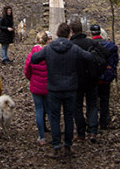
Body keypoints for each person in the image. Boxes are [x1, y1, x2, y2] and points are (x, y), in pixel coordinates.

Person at [30, 22, 94, 159]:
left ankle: (56, 147)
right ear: (69, 34)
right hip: (70, 88)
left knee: (54, 117)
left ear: (57, 34)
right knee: (69, 117)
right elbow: (89, 57)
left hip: (53, 88)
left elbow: (34, 59)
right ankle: (68, 146)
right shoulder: (74, 48)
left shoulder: (48, 49)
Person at [69, 19, 99, 142]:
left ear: (72, 31)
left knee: (77, 107)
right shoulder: (90, 42)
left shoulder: (70, 46)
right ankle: (92, 132)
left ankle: (81, 133)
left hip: (76, 81)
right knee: (92, 105)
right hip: (91, 79)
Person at [24, 30, 51, 145]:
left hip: (36, 86)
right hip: (49, 86)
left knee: (39, 110)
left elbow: (27, 72)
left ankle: (42, 137)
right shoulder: (50, 53)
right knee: (51, 110)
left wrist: (33, 80)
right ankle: (55, 135)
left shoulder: (31, 55)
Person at [90, 24, 118, 130]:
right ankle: (104, 122)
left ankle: (93, 124)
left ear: (91, 33)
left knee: (92, 102)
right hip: (106, 78)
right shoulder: (110, 46)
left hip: (93, 79)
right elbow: (115, 61)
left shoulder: (90, 45)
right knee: (105, 100)